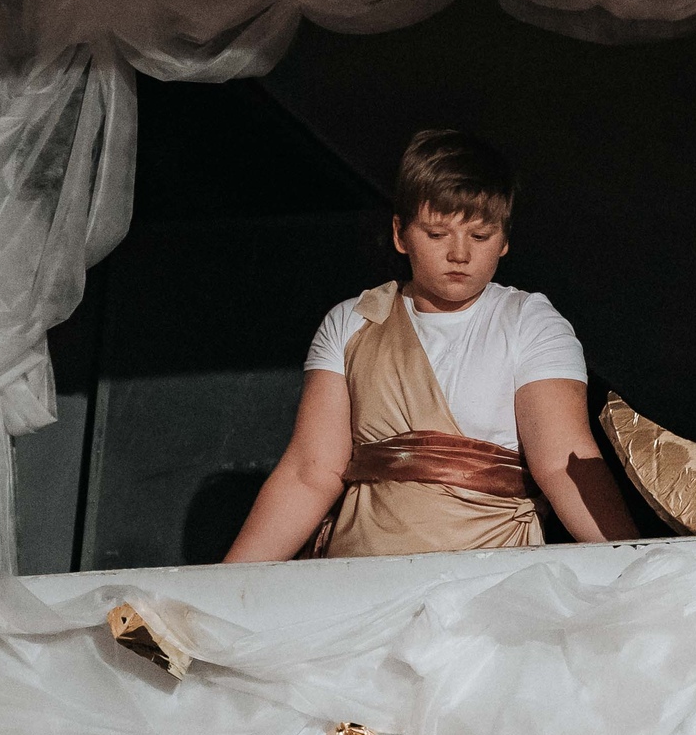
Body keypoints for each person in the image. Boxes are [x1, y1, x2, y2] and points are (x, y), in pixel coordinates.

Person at [224, 129, 636, 560]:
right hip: (360, 575)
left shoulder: (529, 322)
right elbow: (310, 473)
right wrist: (221, 585)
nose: (460, 254)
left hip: (489, 578)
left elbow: (562, 464)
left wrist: (633, 561)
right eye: (438, 234)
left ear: (504, 239)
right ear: (400, 234)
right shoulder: (353, 321)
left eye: (480, 236)